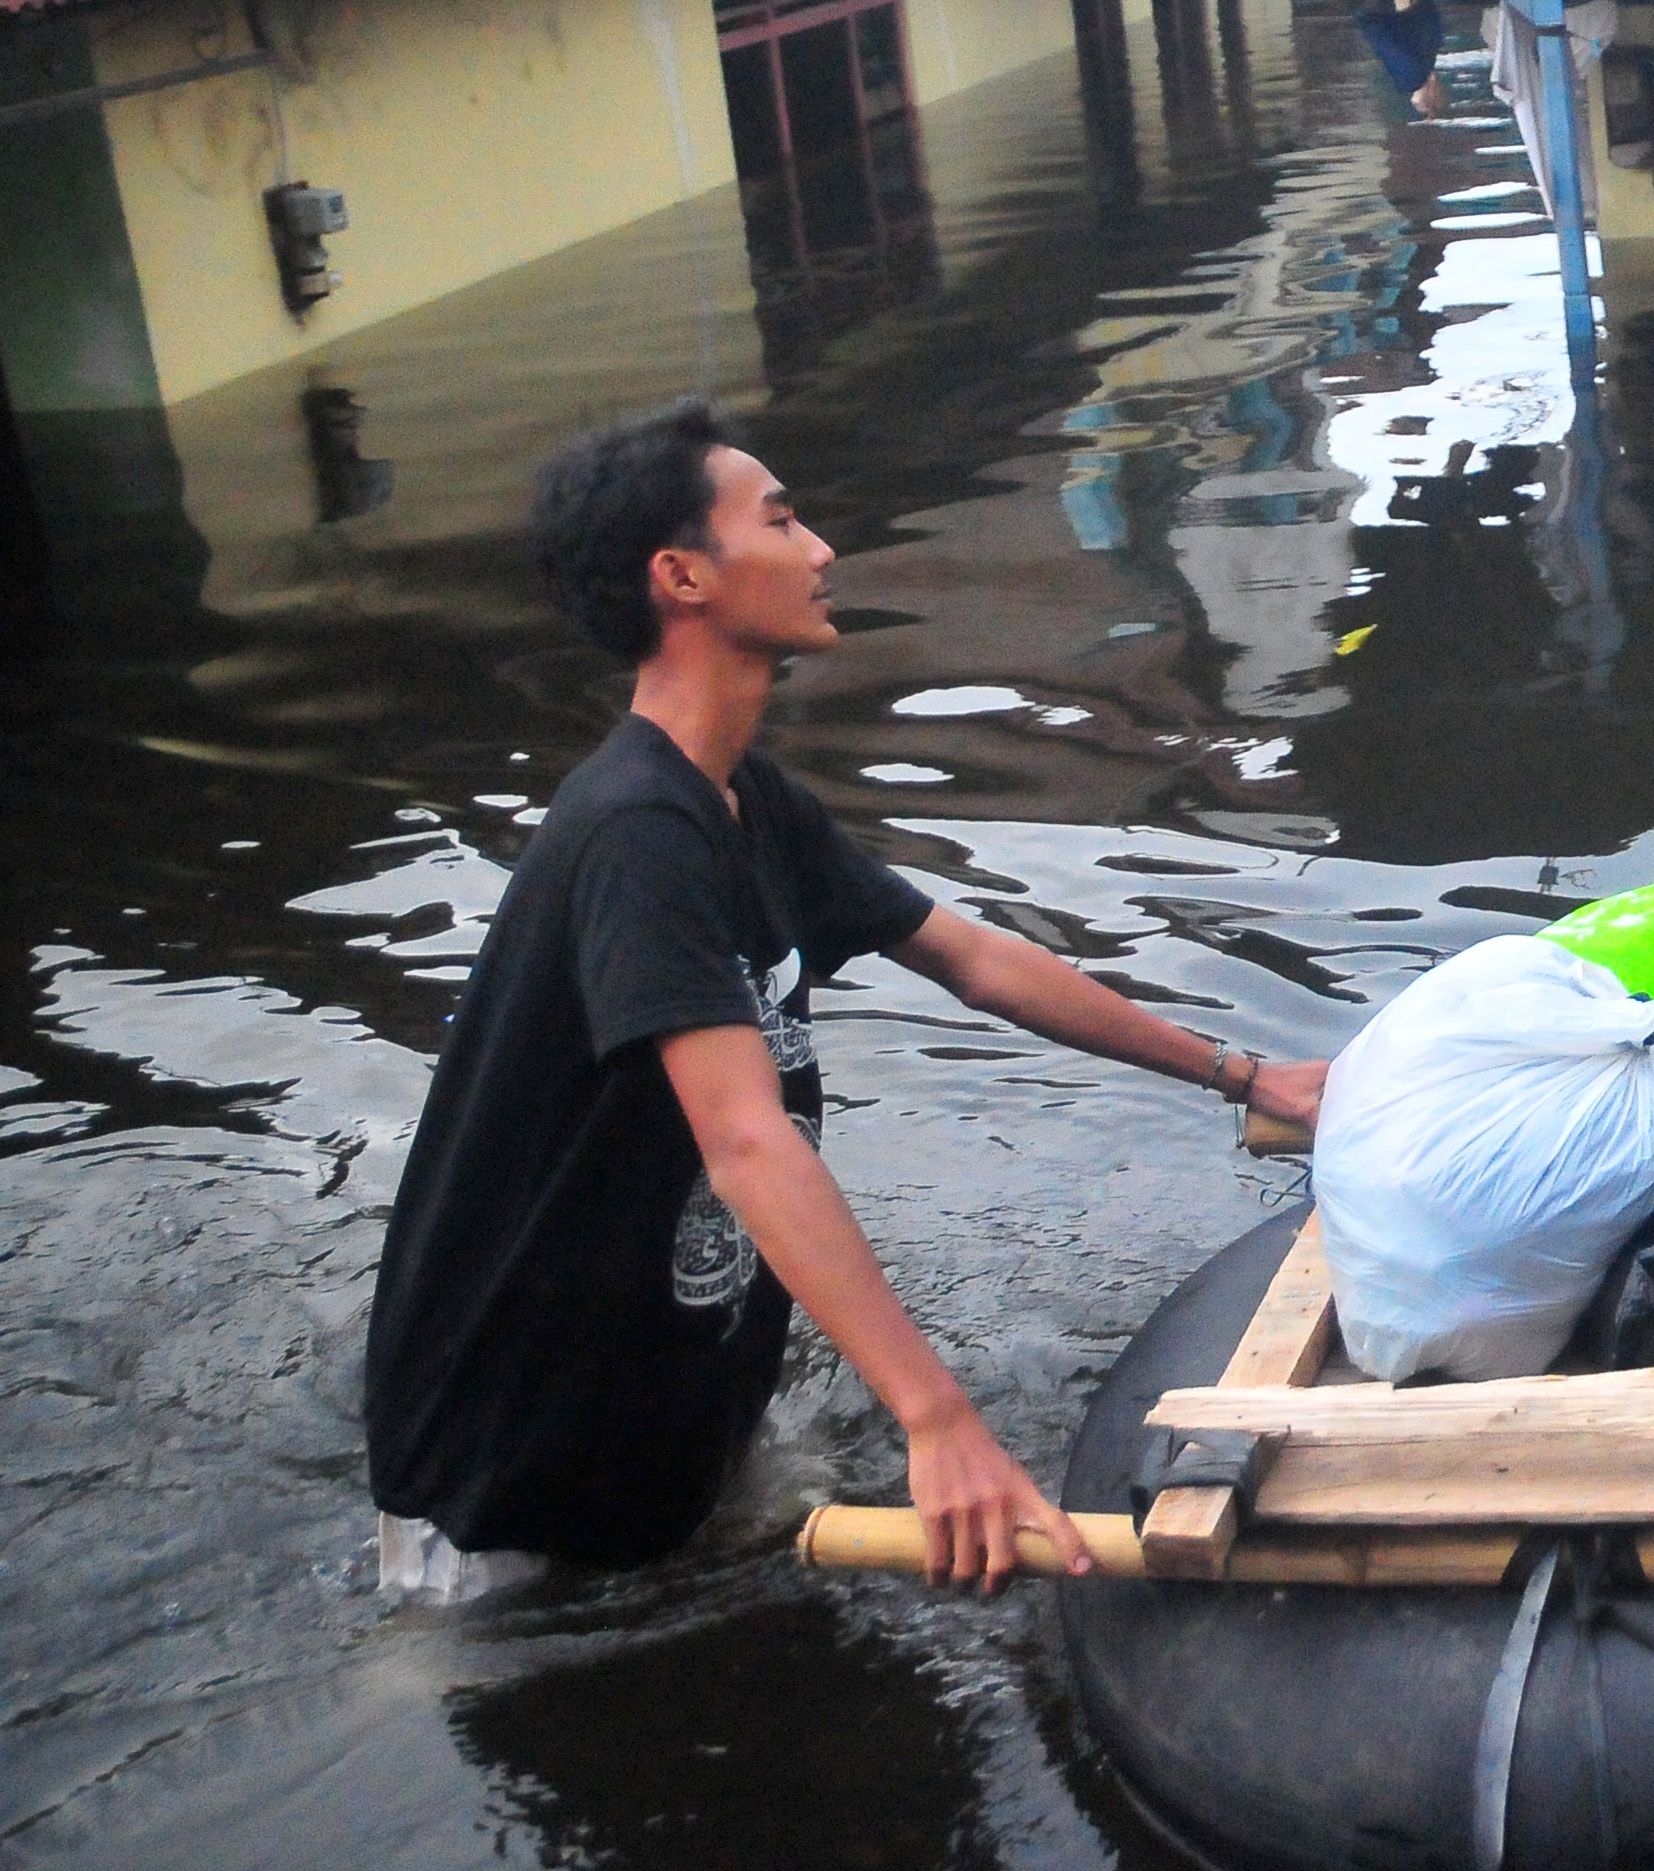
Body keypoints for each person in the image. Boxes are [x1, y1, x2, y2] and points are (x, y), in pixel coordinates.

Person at [362, 401, 1328, 1596]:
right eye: (779, 519)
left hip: (656, 1413)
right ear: (683, 577)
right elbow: (746, 1140)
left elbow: (975, 958)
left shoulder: (741, 801)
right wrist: (936, 1418)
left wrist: (1238, 1075)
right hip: (507, 1477)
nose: (820, 548)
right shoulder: (636, 835)